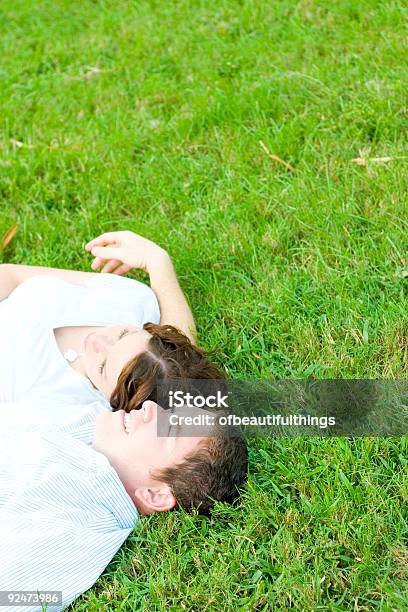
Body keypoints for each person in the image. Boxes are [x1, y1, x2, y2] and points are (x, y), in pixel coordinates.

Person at [0, 230, 248, 611]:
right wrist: (159, 265)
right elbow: (173, 364)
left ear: (155, 494)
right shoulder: (96, 426)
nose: (145, 412)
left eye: (170, 428)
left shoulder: (77, 519)